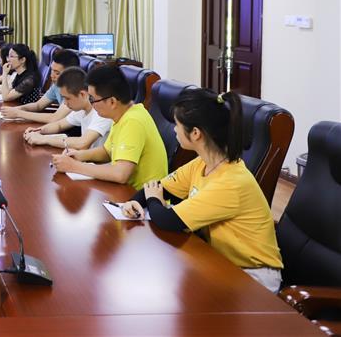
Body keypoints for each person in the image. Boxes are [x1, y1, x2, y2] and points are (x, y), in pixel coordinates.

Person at [120, 90, 283, 293]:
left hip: (255, 276)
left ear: (196, 133)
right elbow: (158, 188)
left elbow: (169, 220)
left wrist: (152, 199)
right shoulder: (202, 164)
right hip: (222, 262)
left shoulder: (231, 182)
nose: (174, 130)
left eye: (177, 125)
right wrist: (137, 201)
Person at [51, 65, 167, 190]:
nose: (91, 104)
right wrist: (79, 155)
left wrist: (73, 166)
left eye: (93, 99)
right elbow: (107, 151)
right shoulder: (122, 115)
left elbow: (120, 174)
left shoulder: (133, 121)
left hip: (143, 197)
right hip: (127, 192)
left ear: (112, 102)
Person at [24, 67, 112, 150]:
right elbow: (59, 125)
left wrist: (43, 139)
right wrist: (38, 131)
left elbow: (82, 143)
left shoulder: (102, 112)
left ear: (82, 94)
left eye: (67, 98)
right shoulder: (81, 109)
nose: (65, 103)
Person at [0, 49, 80, 124]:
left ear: (71, 73)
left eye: (57, 73)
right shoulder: (57, 85)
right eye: (52, 70)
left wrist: (18, 113)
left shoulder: (75, 91)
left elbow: (54, 118)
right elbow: (38, 105)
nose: (52, 75)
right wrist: (16, 109)